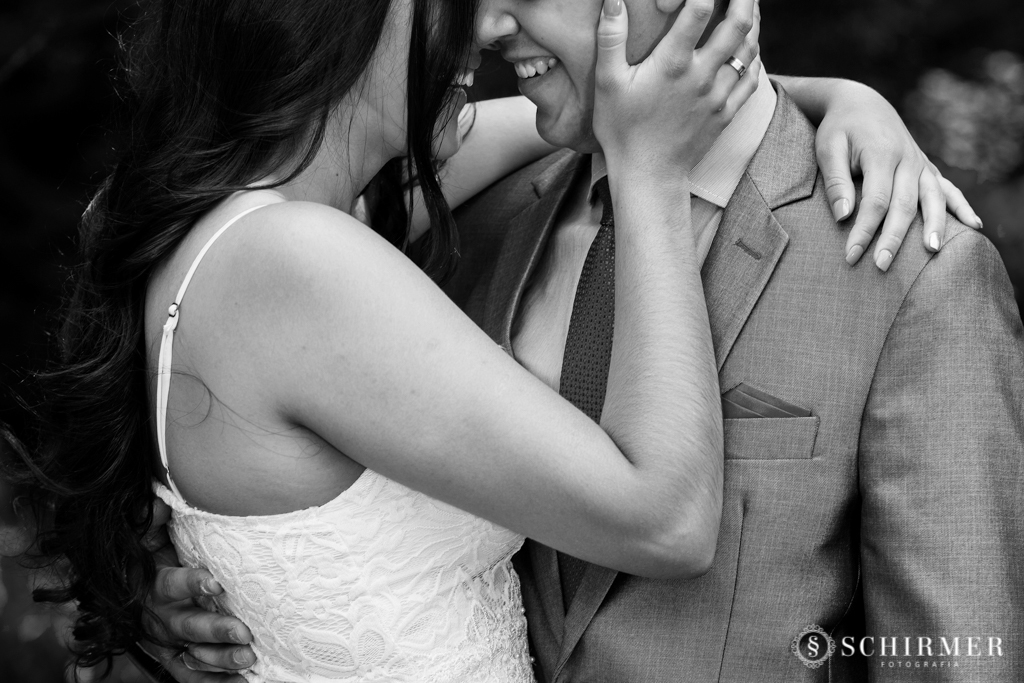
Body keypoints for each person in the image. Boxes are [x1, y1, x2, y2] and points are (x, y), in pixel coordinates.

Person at [8, 2, 993, 683]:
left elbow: (961, 651)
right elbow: (662, 516)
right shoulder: (336, 252)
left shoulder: (364, 205)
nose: (484, 24)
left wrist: (844, 98)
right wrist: (650, 177)